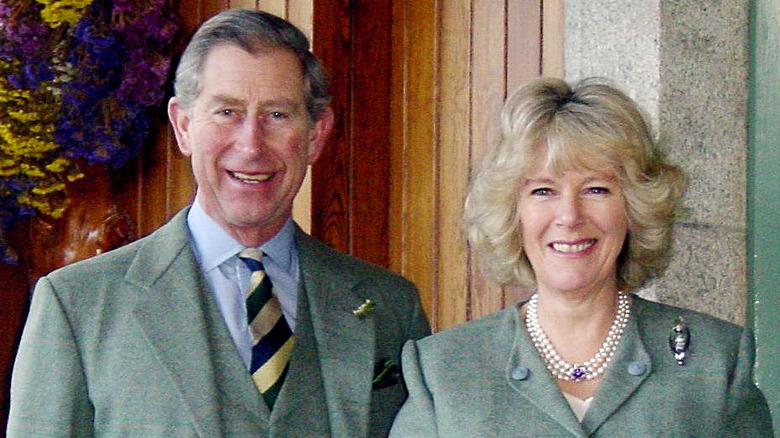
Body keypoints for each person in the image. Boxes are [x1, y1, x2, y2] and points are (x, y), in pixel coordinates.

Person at [8, 8, 430, 437]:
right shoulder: (79, 306)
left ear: (316, 134)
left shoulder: (390, 308)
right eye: (227, 112)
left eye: (278, 115)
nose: (251, 145)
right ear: (184, 126)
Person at [389, 77, 773, 437]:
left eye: (597, 189)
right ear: (511, 212)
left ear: (635, 208)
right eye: (543, 191)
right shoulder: (443, 370)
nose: (569, 216)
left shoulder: (715, 360)